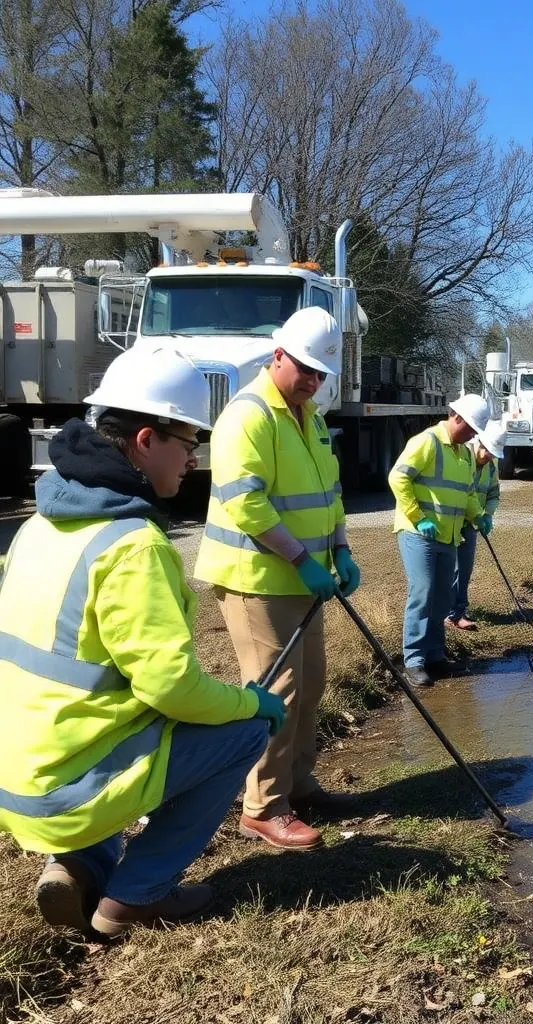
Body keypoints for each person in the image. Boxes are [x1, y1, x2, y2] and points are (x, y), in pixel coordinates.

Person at [0, 347, 285, 939]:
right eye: (188, 443)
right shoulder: (132, 545)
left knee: (117, 724)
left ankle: (82, 863)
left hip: (19, 778)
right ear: (147, 440)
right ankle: (134, 896)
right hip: (70, 787)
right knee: (242, 733)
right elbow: (172, 688)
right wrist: (251, 703)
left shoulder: (38, 524)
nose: (192, 460)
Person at [193, 307, 360, 852]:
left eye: (320, 373)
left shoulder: (308, 417)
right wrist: (300, 559)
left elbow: (331, 492)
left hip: (302, 581)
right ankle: (263, 808)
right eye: (305, 368)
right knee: (277, 693)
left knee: (311, 685)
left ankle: (299, 784)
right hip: (257, 579)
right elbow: (246, 502)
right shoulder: (249, 415)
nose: (312, 380)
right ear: (278, 354)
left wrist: (339, 548)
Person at [388, 394, 491, 687]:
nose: (473, 434)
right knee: (423, 591)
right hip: (418, 533)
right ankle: (414, 660)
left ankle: (435, 655)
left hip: (449, 535)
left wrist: (479, 515)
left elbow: (468, 493)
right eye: (470, 427)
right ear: (456, 416)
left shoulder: (464, 453)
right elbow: (398, 478)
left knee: (443, 596)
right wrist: (417, 516)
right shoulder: (427, 442)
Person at [446, 420, 506, 631]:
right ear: (479, 442)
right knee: (449, 569)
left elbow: (493, 494)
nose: (488, 456)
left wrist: (487, 516)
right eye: (487, 451)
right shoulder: (462, 457)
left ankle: (458, 612)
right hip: (452, 521)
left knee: (464, 569)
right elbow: (461, 493)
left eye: (493, 453)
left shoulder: (490, 466)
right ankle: (448, 614)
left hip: (472, 524)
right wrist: (477, 515)